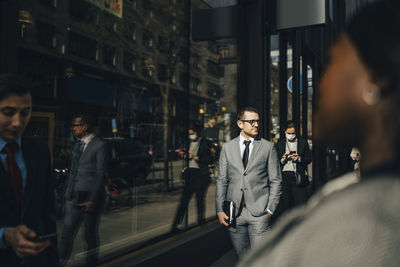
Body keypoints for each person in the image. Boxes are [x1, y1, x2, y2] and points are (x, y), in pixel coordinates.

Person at [238, 1, 400, 266]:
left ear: (375, 80)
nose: (323, 82)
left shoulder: (366, 228)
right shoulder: (359, 197)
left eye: (336, 61)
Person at [0, 73, 58, 266]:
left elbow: (47, 216)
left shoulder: (39, 151)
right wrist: (4, 235)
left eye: (25, 113)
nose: (18, 122)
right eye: (8, 112)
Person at [216, 107, 282, 259]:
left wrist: (270, 209)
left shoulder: (268, 147)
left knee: (260, 257)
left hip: (260, 212)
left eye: (257, 121)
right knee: (242, 257)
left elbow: (276, 180)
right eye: (251, 121)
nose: (256, 125)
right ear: (240, 124)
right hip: (234, 213)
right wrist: (220, 210)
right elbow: (222, 180)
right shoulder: (227, 148)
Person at [59, 114, 109, 267]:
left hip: (88, 198)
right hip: (72, 197)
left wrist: (93, 200)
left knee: (89, 236)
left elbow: (101, 175)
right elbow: (73, 171)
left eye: (75, 125)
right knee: (66, 235)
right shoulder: (76, 145)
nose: (72, 128)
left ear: (84, 126)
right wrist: (66, 194)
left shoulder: (100, 145)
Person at [171, 123, 213, 231]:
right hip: (190, 174)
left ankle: (201, 221)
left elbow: (210, 159)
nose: (191, 134)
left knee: (199, 198)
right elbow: (186, 156)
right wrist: (184, 155)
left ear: (197, 132)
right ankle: (176, 224)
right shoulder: (188, 142)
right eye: (190, 132)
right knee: (184, 200)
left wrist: (195, 157)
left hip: (201, 174)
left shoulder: (205, 143)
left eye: (192, 132)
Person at [276, 120, 312, 215]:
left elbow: (309, 159)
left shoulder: (303, 142)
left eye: (293, 133)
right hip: (284, 176)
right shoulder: (280, 143)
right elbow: (275, 161)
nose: (291, 135)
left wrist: (299, 158)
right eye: (289, 133)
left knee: (301, 203)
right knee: (285, 204)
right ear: (285, 131)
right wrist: (282, 160)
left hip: (298, 175)